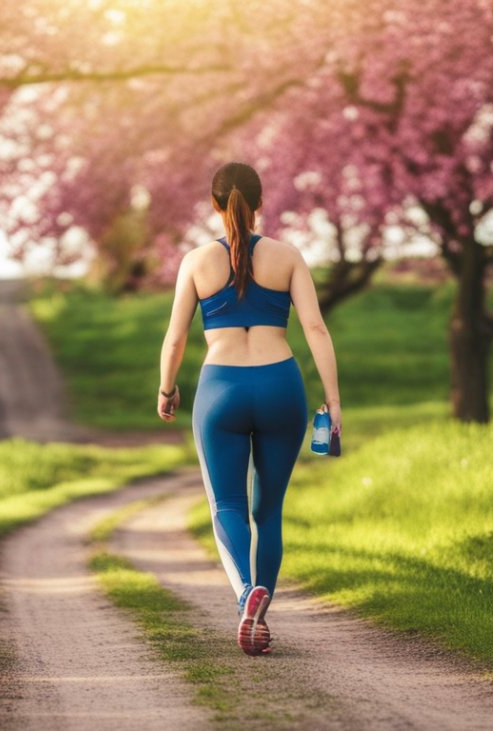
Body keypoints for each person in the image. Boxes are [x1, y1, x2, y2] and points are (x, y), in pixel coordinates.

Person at [156, 161, 342, 656]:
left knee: (228, 506)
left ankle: (246, 596)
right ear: (260, 204)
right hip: (281, 383)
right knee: (269, 509)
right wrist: (334, 402)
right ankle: (260, 618)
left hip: (221, 390)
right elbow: (317, 330)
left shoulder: (196, 262)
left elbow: (175, 338)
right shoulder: (288, 256)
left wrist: (166, 389)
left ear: (215, 205)